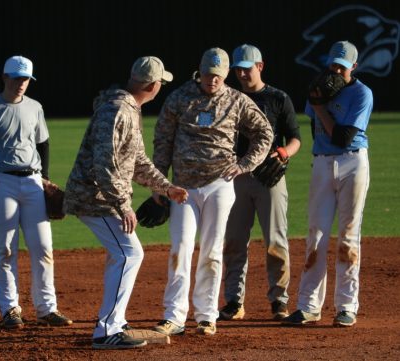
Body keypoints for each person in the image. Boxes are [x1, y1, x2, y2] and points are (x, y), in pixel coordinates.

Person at [64, 56, 188, 349]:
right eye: (161, 83)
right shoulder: (118, 109)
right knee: (130, 254)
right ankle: (107, 330)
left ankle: (114, 321)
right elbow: (105, 163)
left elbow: (137, 161)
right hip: (95, 197)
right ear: (153, 85)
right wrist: (123, 204)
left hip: (101, 196)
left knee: (122, 254)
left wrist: (166, 187)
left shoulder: (128, 108)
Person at [151, 47, 273, 336]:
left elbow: (264, 133)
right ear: (200, 70)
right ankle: (174, 316)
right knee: (180, 249)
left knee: (212, 250)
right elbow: (162, 139)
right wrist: (160, 183)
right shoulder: (180, 97)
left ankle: (207, 315)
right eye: (208, 74)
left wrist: (245, 164)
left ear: (226, 74)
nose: (213, 80)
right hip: (183, 187)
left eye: (218, 75)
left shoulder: (236, 100)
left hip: (219, 185)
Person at [0, 55, 72, 329]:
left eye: (26, 79)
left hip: (32, 182)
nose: (21, 83)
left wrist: (44, 177)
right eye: (17, 78)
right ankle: (10, 310)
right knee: (5, 249)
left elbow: (43, 143)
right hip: (0, 184)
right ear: (4, 77)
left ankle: (46, 310)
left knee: (43, 247)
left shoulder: (35, 107)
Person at [282, 40, 373, 327]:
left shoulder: (361, 94)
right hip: (322, 162)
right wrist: (317, 102)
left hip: (352, 163)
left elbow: (341, 137)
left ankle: (346, 307)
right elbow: (317, 132)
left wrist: (320, 106)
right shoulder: (318, 85)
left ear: (354, 67)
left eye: (342, 66)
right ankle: (308, 306)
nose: (336, 69)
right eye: (333, 63)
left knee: (348, 236)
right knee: (316, 236)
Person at [219, 44, 301, 321]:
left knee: (275, 240)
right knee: (233, 241)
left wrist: (283, 153)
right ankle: (233, 300)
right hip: (235, 178)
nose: (242, 73)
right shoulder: (226, 98)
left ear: (260, 66)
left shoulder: (278, 98)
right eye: (238, 69)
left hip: (269, 177)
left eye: (247, 68)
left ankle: (279, 300)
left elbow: (295, 138)